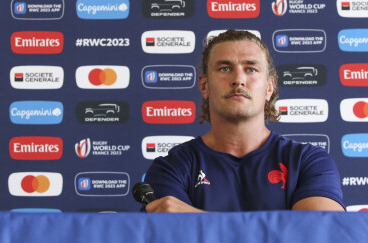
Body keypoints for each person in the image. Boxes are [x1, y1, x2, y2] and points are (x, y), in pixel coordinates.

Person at [144, 29, 345, 212]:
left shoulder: (308, 162)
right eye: (224, 68)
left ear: (269, 88)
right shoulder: (171, 168)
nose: (238, 79)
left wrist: (197, 219)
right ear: (204, 86)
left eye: (251, 69)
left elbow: (320, 233)